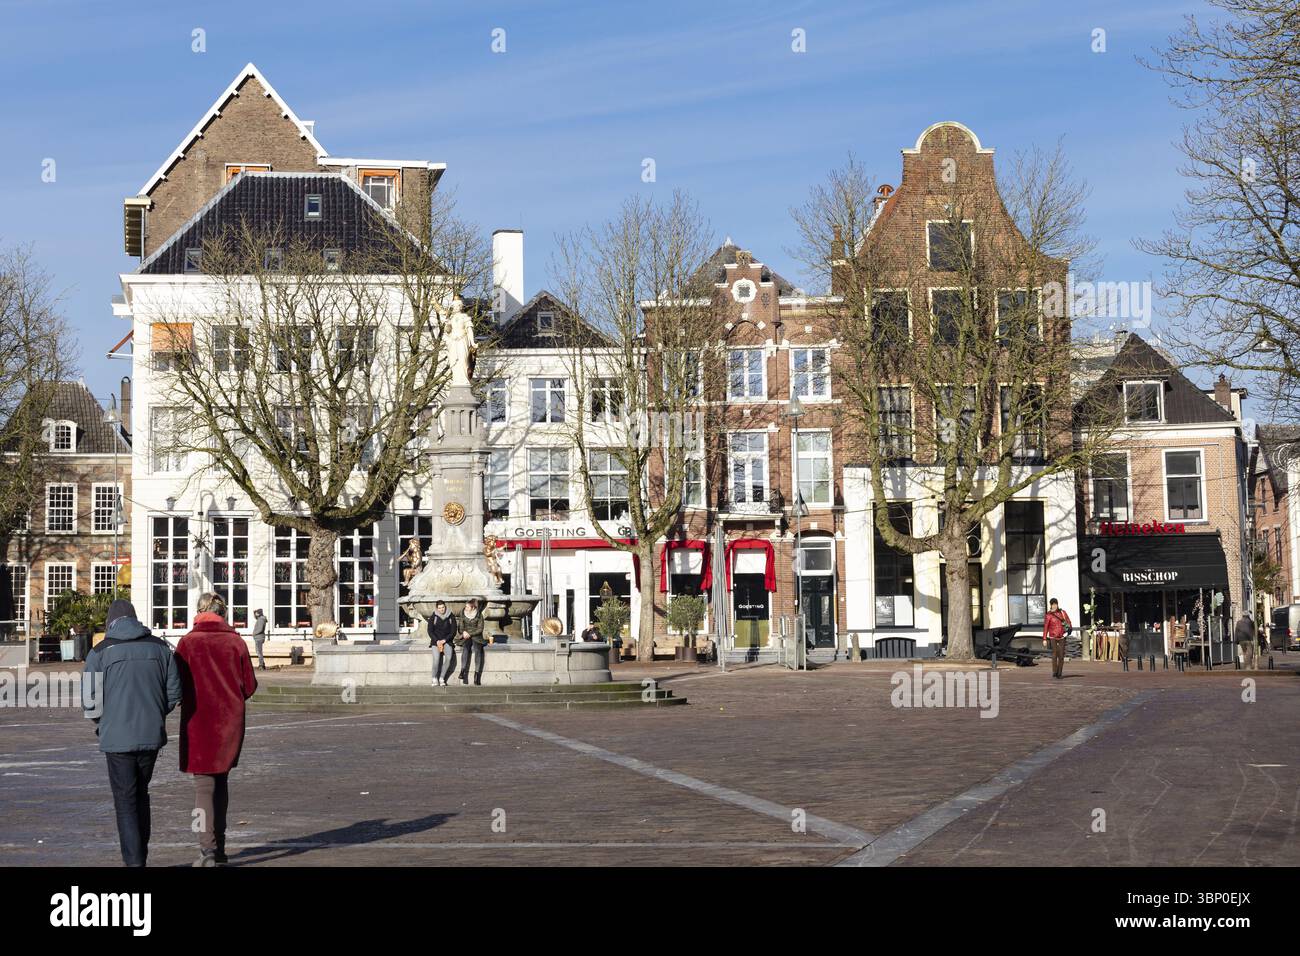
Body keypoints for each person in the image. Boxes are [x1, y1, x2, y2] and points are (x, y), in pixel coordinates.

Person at [81, 599, 181, 867]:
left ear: (110, 622)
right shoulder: (161, 648)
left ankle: (134, 862)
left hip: (116, 738)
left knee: (125, 800)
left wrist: (106, 720)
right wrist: (156, 715)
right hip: (150, 735)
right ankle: (140, 857)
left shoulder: (99, 651)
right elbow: (174, 693)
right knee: (141, 794)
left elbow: (90, 702)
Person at [175, 592, 257, 867]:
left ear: (198, 612)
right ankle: (219, 847)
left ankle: (207, 848)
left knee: (203, 787)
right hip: (228, 722)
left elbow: (177, 685)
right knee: (221, 784)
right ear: (223, 613)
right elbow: (250, 685)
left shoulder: (187, 643)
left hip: (197, 723)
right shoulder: (235, 642)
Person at [457, 598, 487, 685]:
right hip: (465, 636)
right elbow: (460, 627)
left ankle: (477, 675)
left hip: (476, 636)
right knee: (466, 648)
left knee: (478, 650)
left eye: (467, 607)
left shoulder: (479, 615)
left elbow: (480, 629)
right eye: (465, 606)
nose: (466, 608)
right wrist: (464, 632)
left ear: (473, 607)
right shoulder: (463, 613)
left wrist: (470, 633)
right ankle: (463, 671)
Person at [429, 600, 456, 686]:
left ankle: (441, 678)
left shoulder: (451, 616)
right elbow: (430, 631)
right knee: (436, 660)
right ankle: (434, 678)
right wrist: (437, 641)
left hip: (447, 641)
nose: (441, 609)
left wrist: (444, 640)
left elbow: (453, 631)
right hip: (435, 641)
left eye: (443, 607)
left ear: (445, 607)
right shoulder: (434, 616)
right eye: (439, 608)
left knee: (448, 658)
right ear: (437, 608)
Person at [1043, 598, 1072, 679]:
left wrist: (1069, 630)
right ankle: (1055, 671)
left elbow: (1069, 622)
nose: (1054, 606)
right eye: (1053, 604)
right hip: (1053, 637)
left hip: (1062, 636)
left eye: (1055, 604)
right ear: (1051, 605)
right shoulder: (1048, 615)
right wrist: (1044, 639)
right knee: (1055, 654)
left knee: (1061, 655)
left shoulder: (1063, 613)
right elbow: (1045, 627)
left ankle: (1059, 672)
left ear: (1057, 604)